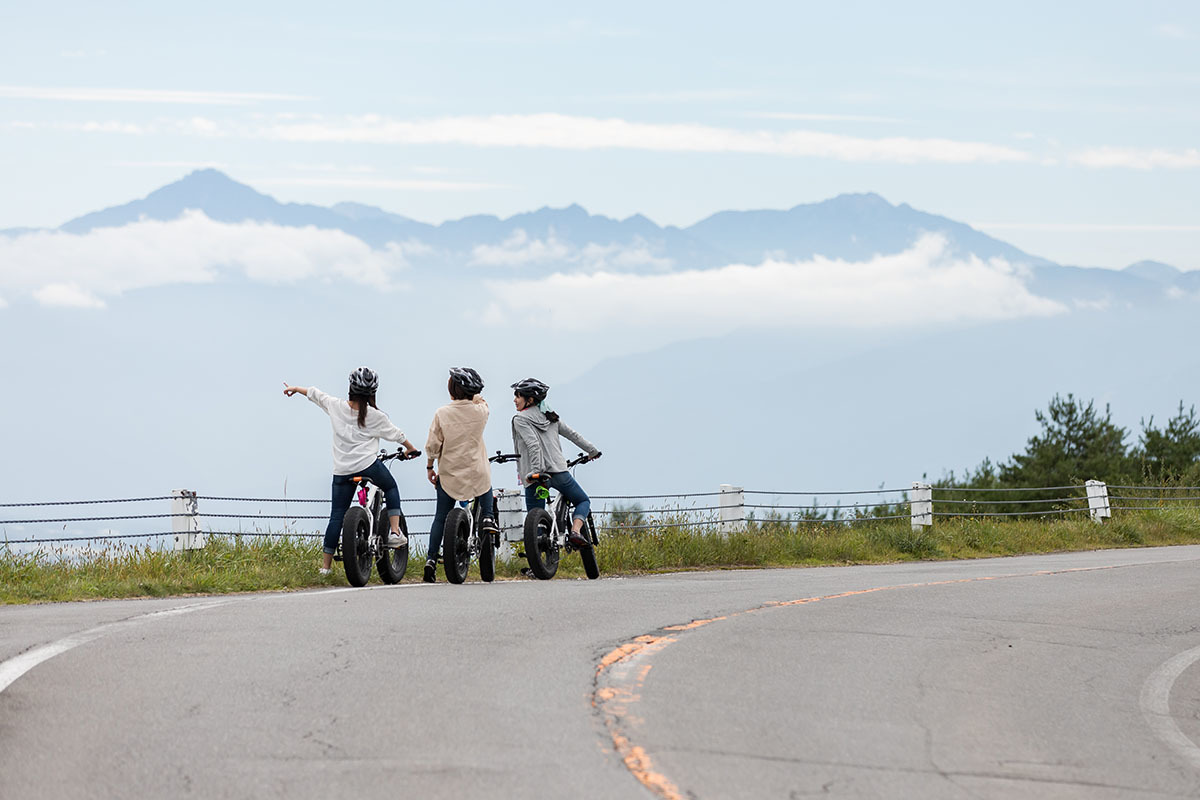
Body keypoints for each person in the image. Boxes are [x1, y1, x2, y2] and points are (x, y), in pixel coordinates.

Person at [284, 367, 419, 575]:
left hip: (342, 470)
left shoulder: (336, 406)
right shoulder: (376, 416)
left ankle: (325, 568)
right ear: (373, 392)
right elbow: (397, 435)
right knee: (391, 487)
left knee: (336, 515)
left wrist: (295, 389)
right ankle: (394, 532)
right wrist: (410, 448)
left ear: (350, 389)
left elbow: (315, 394)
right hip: (368, 465)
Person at [424, 367, 497, 583]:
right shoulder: (480, 412)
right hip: (476, 472)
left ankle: (430, 559)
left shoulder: (442, 413)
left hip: (450, 474)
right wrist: (474, 394)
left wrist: (430, 467)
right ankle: (487, 517)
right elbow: (483, 402)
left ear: (452, 389)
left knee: (441, 517)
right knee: (486, 482)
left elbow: (432, 446)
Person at [510, 378, 601, 548]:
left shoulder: (520, 419)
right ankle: (575, 531)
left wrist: (536, 472)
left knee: (535, 520)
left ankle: (537, 563)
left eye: (518, 396)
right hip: (560, 472)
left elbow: (533, 445)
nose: (514, 399)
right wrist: (592, 451)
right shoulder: (551, 416)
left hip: (535, 476)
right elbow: (573, 435)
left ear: (529, 400)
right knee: (582, 501)